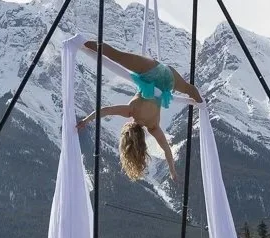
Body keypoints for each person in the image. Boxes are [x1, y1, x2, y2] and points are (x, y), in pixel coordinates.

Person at [75, 41, 203, 180]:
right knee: (116, 55)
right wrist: (86, 120)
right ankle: (81, 42)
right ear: (127, 129)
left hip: (168, 81)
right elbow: (105, 110)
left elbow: (167, 150)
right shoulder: (131, 111)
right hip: (152, 72)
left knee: (190, 90)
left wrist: (173, 172)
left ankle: (202, 103)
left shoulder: (153, 127)